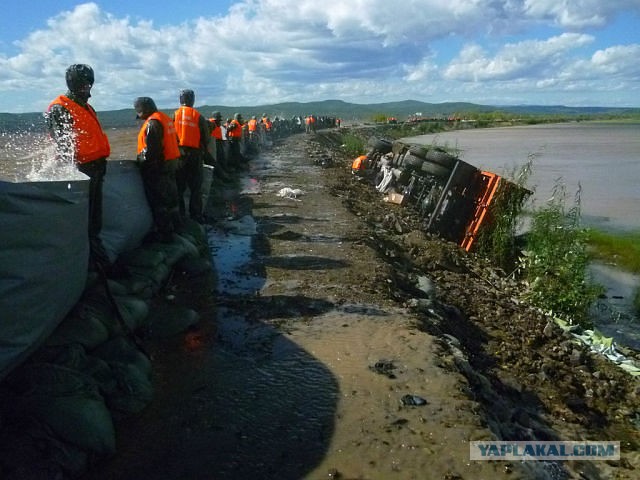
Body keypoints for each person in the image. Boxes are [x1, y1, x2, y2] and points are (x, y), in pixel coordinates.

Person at [46, 64, 112, 273]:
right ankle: (94, 265)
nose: (87, 87)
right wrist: (71, 176)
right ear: (72, 84)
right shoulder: (60, 107)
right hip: (82, 171)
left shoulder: (87, 106)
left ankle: (95, 261)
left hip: (97, 168)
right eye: (82, 83)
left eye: (88, 82)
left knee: (95, 218)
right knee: (87, 222)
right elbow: (64, 146)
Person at [134, 96, 182, 241]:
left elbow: (151, 152)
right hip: (171, 164)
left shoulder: (152, 124)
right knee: (172, 199)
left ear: (143, 110)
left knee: (159, 202)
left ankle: (166, 235)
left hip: (158, 169)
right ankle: (178, 227)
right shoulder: (165, 118)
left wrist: (140, 161)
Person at [173, 89, 209, 223]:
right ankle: (196, 216)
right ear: (192, 100)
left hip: (178, 155)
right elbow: (205, 137)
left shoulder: (174, 115)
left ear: (180, 100)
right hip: (194, 154)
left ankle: (180, 216)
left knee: (179, 187)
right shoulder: (197, 116)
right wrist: (203, 150)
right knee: (195, 187)